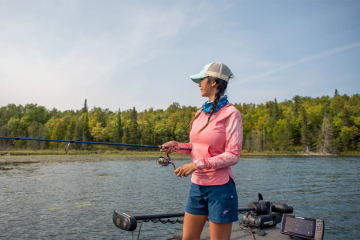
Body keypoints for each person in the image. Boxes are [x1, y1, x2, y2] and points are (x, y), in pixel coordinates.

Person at [160, 62, 243, 240]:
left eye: (201, 80)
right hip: (197, 187)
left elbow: (233, 155)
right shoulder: (199, 113)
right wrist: (176, 145)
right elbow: (194, 146)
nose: (199, 84)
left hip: (220, 188)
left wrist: (196, 164)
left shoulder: (231, 113)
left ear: (214, 82)